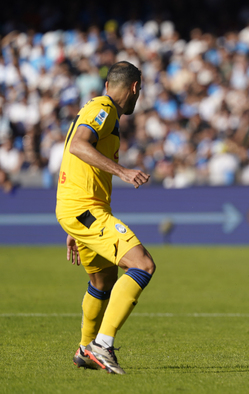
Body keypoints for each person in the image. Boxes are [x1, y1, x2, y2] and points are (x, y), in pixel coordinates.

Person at [56, 61, 155, 374]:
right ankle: (103, 345)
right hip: (85, 209)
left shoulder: (97, 108)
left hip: (81, 210)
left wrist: (76, 226)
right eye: (140, 91)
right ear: (135, 87)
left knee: (103, 280)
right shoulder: (104, 108)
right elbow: (78, 146)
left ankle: (85, 349)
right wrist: (123, 171)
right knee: (142, 264)